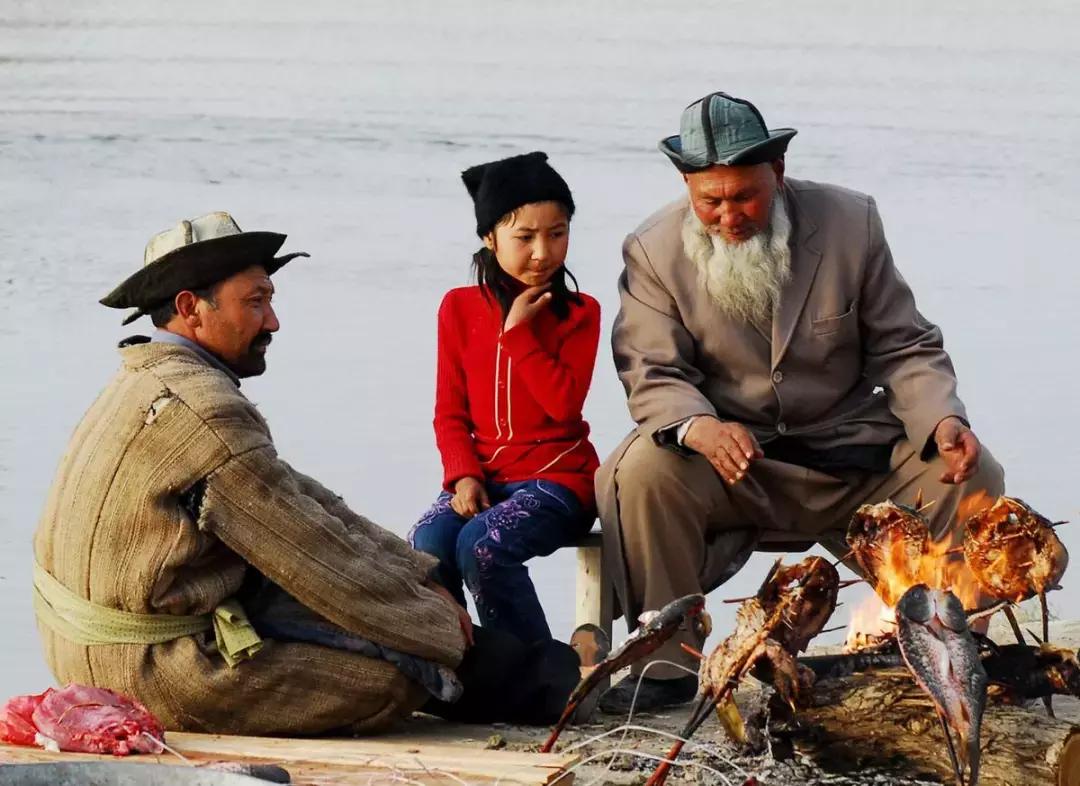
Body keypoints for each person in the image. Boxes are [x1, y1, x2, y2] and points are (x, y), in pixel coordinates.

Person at [33, 211, 588, 736]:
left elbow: (303, 500)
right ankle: (556, 679)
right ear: (191, 307)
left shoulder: (140, 380)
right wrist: (435, 627)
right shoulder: (205, 410)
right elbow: (312, 556)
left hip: (79, 648)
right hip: (150, 669)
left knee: (391, 619)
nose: (273, 321)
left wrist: (416, 576)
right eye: (255, 303)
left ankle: (542, 669)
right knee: (402, 676)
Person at [594, 92, 1005, 713]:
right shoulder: (652, 250)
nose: (728, 215)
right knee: (638, 473)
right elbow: (650, 369)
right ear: (687, 187)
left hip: (853, 458)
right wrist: (700, 425)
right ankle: (667, 662)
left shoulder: (851, 223)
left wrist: (943, 418)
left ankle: (951, 657)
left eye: (744, 197)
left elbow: (905, 345)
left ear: (778, 174)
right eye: (711, 200)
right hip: (733, 465)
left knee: (971, 477)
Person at [409, 152, 602, 646]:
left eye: (557, 233)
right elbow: (449, 411)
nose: (542, 252)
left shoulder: (581, 313)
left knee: (483, 545)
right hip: (486, 478)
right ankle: (457, 659)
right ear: (489, 238)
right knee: (424, 546)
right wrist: (464, 475)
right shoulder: (458, 308)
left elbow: (563, 406)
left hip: (560, 480)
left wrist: (518, 335)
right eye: (525, 237)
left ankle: (533, 672)